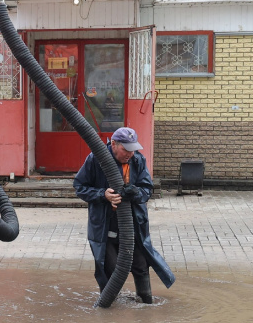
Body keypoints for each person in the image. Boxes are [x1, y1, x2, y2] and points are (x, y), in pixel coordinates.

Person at [72, 127, 175, 303]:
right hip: (106, 225)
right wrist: (102, 195)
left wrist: (136, 193)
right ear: (113, 144)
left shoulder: (138, 160)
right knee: (110, 268)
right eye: (126, 149)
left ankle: (145, 301)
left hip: (132, 225)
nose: (130, 153)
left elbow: (147, 189)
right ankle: (108, 304)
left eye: (133, 149)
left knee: (141, 265)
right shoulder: (95, 159)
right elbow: (80, 187)